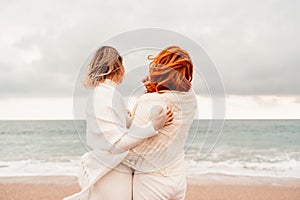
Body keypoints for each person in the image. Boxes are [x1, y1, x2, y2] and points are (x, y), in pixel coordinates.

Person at [64, 46, 173, 200]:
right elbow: (117, 143)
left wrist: (149, 91)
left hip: (113, 166)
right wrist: (153, 126)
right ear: (115, 66)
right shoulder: (105, 95)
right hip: (111, 171)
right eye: (122, 64)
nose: (124, 70)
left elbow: (130, 129)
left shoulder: (106, 94)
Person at [122, 46, 197, 200]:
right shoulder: (190, 101)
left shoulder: (148, 101)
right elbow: (181, 90)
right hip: (178, 178)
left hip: (152, 181)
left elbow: (134, 147)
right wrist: (153, 86)